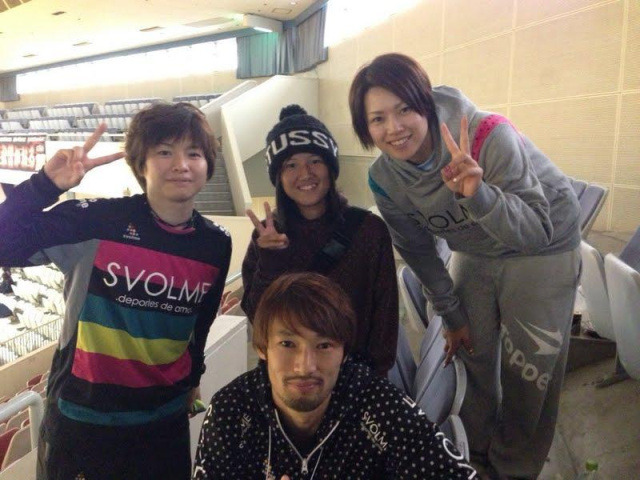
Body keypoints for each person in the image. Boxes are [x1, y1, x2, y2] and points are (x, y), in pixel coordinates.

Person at [348, 53, 581, 480]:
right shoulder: (385, 179)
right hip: (475, 247)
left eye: (404, 109)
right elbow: (417, 250)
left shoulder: (487, 135)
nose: (394, 128)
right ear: (365, 128)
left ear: (425, 102)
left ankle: (514, 467)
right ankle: (474, 455)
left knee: (529, 369)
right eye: (377, 119)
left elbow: (535, 231)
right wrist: (451, 314)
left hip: (543, 244)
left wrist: (479, 194)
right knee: (470, 351)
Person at [0, 102, 232, 480]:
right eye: (164, 152)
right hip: (84, 424)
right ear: (141, 164)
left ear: (208, 164)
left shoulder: (215, 243)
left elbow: (200, 323)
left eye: (194, 153)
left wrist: (192, 380)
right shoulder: (96, 221)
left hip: (165, 424)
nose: (181, 164)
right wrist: (44, 186)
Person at [193, 272, 477, 479]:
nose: (305, 366)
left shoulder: (379, 405)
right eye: (288, 344)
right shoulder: (231, 411)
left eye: (324, 345)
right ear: (262, 348)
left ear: (344, 352)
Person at [241, 105, 398, 376]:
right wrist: (270, 260)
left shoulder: (368, 230)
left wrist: (374, 378)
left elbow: (385, 313)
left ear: (330, 167)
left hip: (354, 376)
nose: (305, 173)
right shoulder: (267, 236)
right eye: (291, 165)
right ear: (278, 177)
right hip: (290, 377)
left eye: (315, 160)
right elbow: (260, 320)